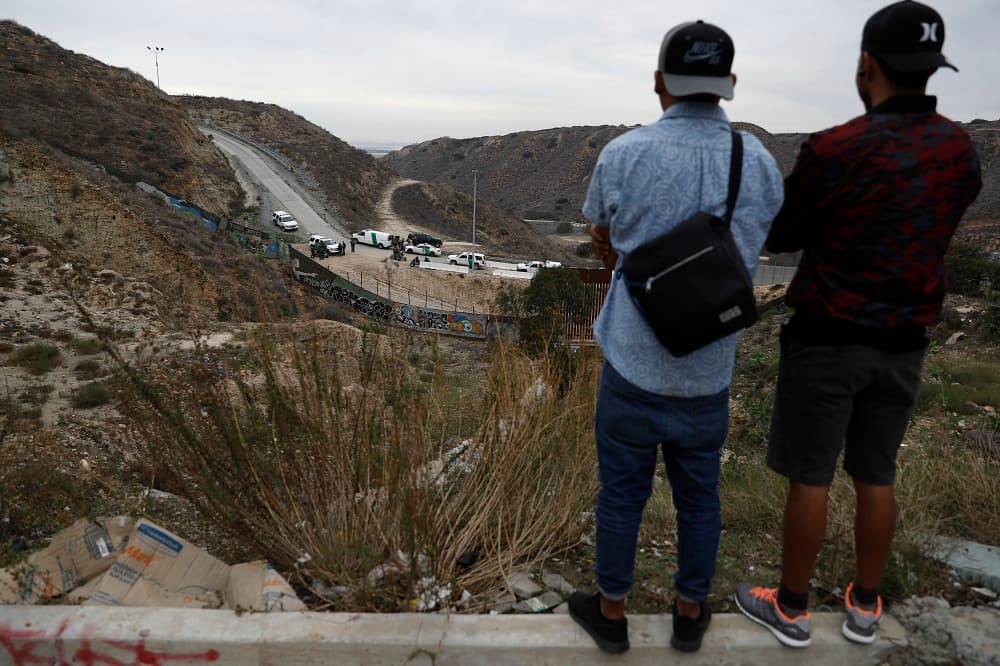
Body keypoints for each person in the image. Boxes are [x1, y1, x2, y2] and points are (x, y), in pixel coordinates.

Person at [735, 0, 981, 649]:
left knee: (810, 475)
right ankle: (866, 605)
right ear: (933, 68)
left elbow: (783, 233)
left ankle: (789, 608)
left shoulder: (836, 147)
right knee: (877, 472)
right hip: (904, 341)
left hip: (828, 337)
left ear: (866, 64)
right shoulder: (960, 150)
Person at [571, 20, 783, 654]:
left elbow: (600, 235)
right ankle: (690, 613)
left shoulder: (622, 154)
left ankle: (611, 613)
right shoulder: (760, 161)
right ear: (730, 85)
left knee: (621, 496)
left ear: (659, 83)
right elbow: (758, 241)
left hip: (633, 362)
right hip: (708, 369)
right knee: (700, 499)